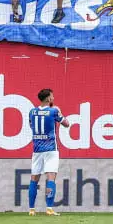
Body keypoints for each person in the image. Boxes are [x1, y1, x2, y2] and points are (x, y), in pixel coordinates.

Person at [27, 88, 69, 216]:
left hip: (37, 149)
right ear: (48, 99)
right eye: (52, 96)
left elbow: (31, 126)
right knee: (51, 178)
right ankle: (49, 208)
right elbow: (67, 124)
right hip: (51, 149)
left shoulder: (32, 112)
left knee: (34, 179)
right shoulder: (54, 111)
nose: (53, 98)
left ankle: (31, 210)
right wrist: (60, 112)